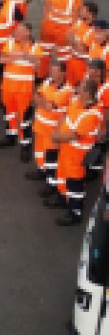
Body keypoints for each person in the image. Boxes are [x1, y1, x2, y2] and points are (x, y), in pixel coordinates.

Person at [46, 79, 103, 226]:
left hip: (78, 154)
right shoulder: (78, 102)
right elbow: (64, 116)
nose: (77, 90)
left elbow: (75, 135)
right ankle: (62, 198)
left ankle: (75, 213)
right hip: (67, 150)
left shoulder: (93, 114)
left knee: (75, 183)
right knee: (63, 176)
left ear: (87, 93)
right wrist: (57, 132)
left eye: (81, 88)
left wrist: (56, 136)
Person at [0, 22, 42, 160]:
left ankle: (25, 145)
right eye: (16, 31)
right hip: (8, 88)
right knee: (9, 114)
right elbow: (0, 59)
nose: (16, 33)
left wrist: (22, 55)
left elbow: (38, 63)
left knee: (24, 119)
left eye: (19, 31)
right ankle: (10, 136)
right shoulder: (10, 43)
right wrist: (13, 57)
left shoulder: (35, 47)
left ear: (27, 33)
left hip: (24, 90)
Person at [27, 59, 72, 184]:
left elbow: (50, 105)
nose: (52, 74)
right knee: (39, 152)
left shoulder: (66, 90)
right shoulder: (47, 82)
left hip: (53, 130)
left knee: (51, 158)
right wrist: (43, 101)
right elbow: (36, 97)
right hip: (41, 126)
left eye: (55, 71)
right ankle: (42, 171)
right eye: (51, 71)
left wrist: (42, 101)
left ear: (63, 73)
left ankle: (51, 184)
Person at [39, 0, 83, 80]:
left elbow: (76, 14)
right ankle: (41, 75)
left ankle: (62, 77)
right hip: (49, 26)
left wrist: (72, 30)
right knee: (44, 52)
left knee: (63, 55)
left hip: (64, 29)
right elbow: (46, 7)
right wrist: (44, 22)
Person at [65, 1, 97, 87]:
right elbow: (67, 36)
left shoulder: (93, 31)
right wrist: (76, 42)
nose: (80, 11)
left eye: (83, 10)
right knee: (69, 86)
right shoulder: (79, 23)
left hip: (82, 64)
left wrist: (74, 41)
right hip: (71, 59)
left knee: (80, 87)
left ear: (90, 14)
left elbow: (81, 49)